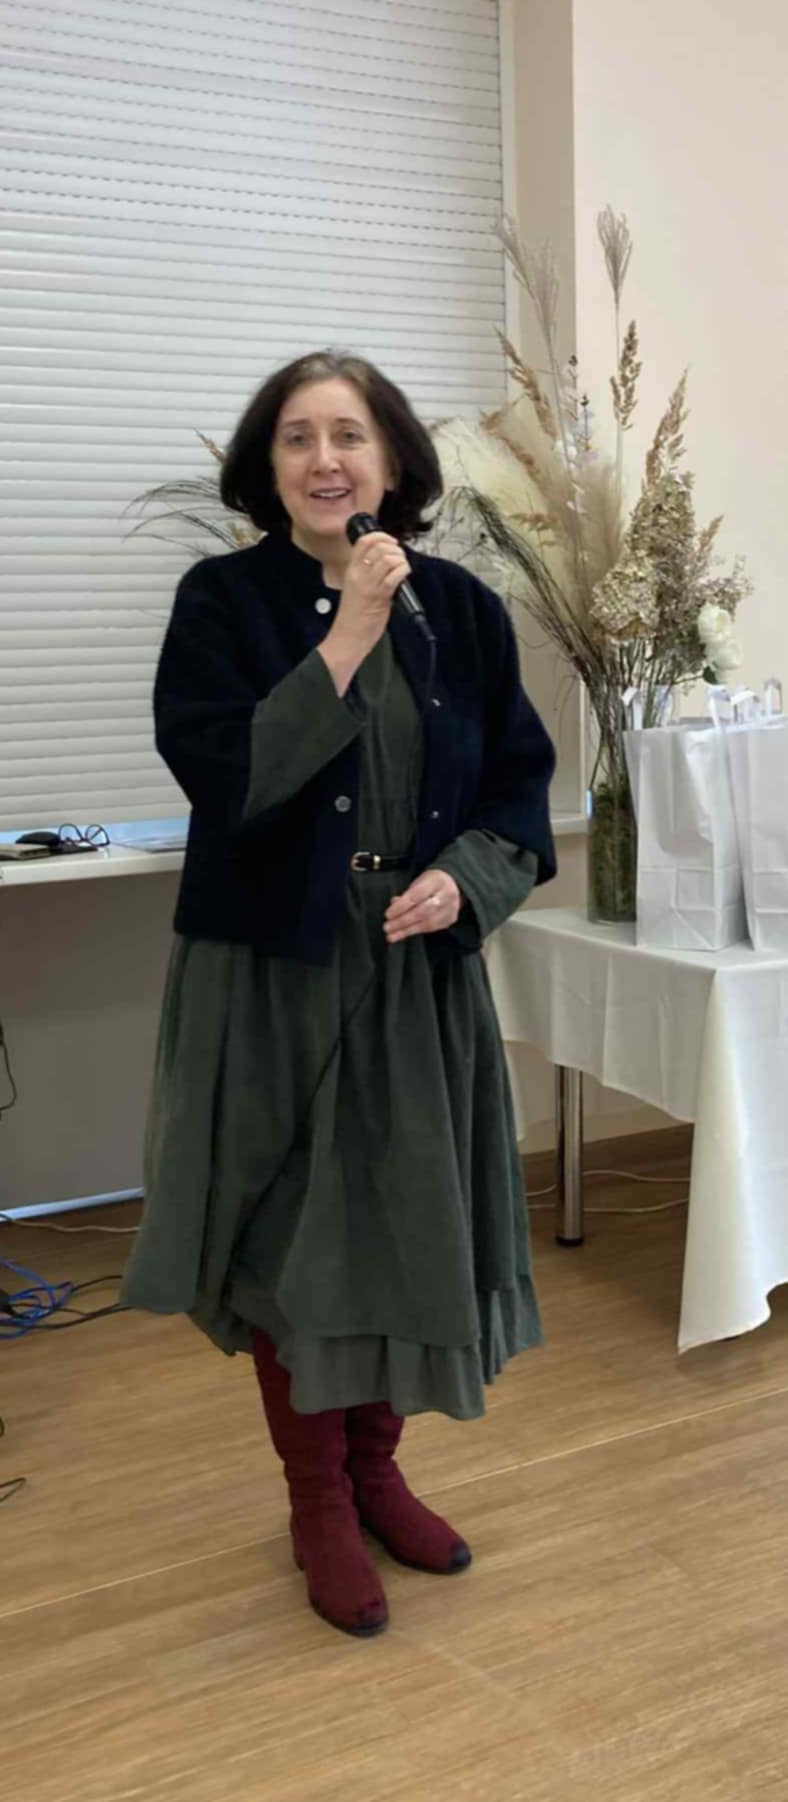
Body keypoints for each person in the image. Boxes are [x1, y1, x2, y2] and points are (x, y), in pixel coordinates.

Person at [122, 349, 556, 1640]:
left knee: (400, 1226)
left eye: (350, 435)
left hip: (412, 976)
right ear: (267, 467)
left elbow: (517, 789)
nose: (326, 460)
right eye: (299, 437)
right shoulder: (222, 603)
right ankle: (315, 1498)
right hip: (270, 975)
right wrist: (351, 629)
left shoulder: (464, 610)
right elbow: (230, 780)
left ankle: (376, 1473)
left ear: (392, 461)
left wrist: (468, 880)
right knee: (288, 1245)